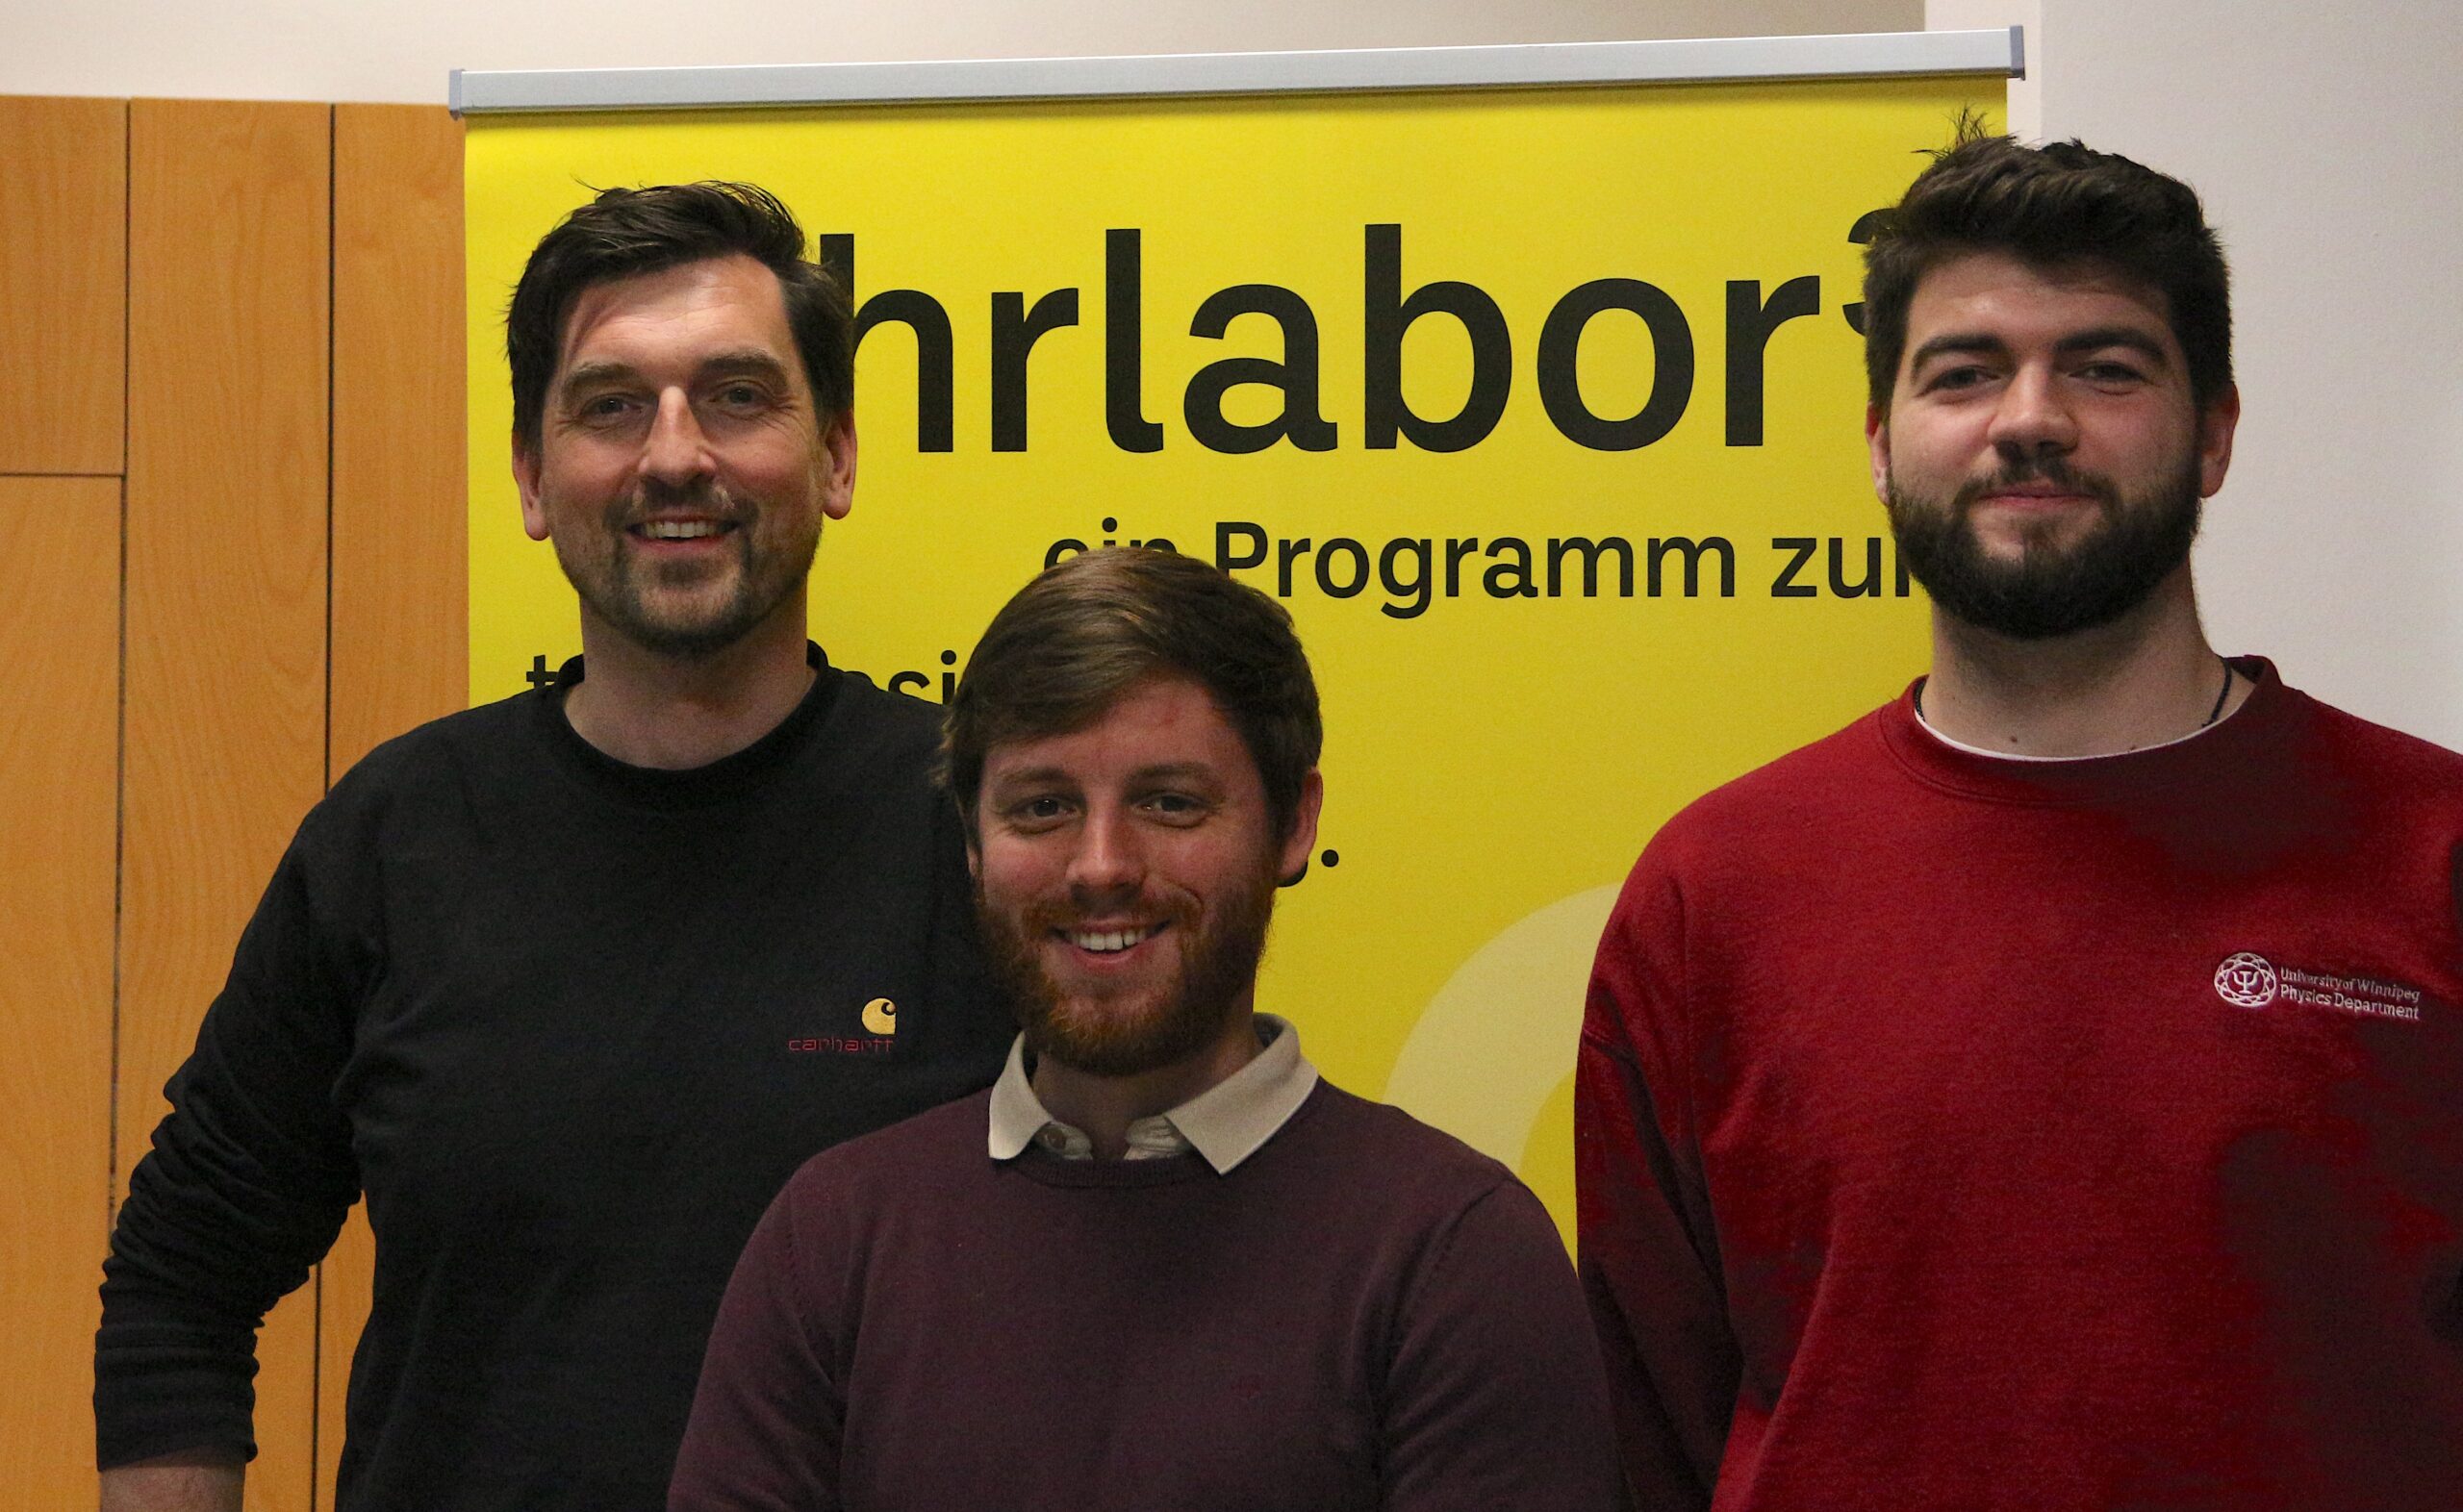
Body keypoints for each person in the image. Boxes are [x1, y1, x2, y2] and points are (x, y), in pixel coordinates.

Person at [1578, 127, 2463, 1511]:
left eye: (2105, 366)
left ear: (2216, 433)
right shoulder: (1715, 892)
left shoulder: (2433, 854)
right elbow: (1648, 1431)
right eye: (1965, 372)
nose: (2031, 416)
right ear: (1880, 444)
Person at [94, 182, 1014, 1511]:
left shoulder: (982, 834)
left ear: (838, 459)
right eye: (612, 404)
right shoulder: (398, 839)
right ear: (532, 475)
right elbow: (182, 1274)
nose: (676, 455)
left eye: (738, 396)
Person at [669, 547, 1627, 1512]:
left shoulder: (1451, 1254)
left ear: (1292, 824)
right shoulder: (835, 1241)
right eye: (1042, 807)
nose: (1099, 866)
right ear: (970, 841)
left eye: (1168, 803)